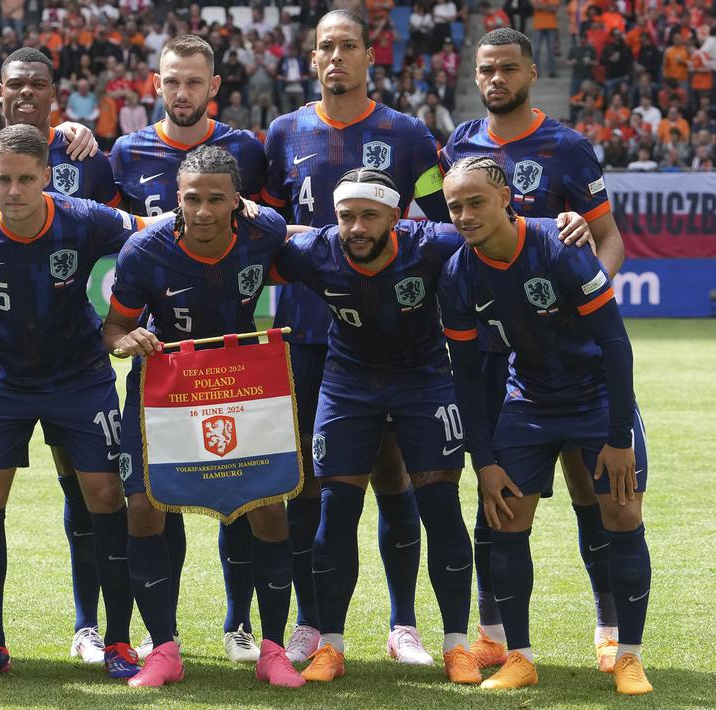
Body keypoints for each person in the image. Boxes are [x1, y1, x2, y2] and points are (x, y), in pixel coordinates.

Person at [0, 124, 156, 680]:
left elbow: (153, 230)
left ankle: (118, 640)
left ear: (47, 177)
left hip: (80, 372)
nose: (15, 190)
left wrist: (244, 216)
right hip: (2, 378)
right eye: (4, 179)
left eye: (27, 179)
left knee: (102, 491)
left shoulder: (82, 217)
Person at [261, 9, 451, 665]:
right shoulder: (284, 132)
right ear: (310, 60)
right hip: (302, 334)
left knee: (394, 475)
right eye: (324, 48)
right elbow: (260, 230)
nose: (334, 57)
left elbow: (442, 228)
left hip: (392, 340)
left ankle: (403, 626)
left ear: (370, 55)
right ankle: (313, 626)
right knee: (308, 484)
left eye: (346, 46)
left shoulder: (410, 136)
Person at [440, 28, 627, 672]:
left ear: (529, 73)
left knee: (586, 487)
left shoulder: (567, 146)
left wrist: (583, 304)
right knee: (493, 490)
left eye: (508, 69)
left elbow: (607, 239)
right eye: (485, 69)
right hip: (489, 351)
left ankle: (609, 626)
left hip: (554, 343)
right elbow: (445, 232)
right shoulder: (459, 145)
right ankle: (493, 631)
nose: (496, 79)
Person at [438, 156, 653, 696]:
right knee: (505, 518)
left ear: (506, 198)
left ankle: (629, 657)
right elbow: (465, 376)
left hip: (597, 398)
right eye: (455, 206)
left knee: (622, 512)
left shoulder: (561, 249)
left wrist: (618, 437)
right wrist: (482, 460)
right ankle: (520, 657)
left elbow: (614, 344)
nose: (464, 215)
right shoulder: (457, 275)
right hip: (528, 401)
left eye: (475, 202)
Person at [0, 46, 116, 667]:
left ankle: (93, 625)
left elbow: (132, 230)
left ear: (53, 89)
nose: (26, 94)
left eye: (38, 84)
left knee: (87, 485)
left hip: (73, 355)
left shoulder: (83, 156)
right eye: (16, 85)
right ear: (1, 91)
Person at [103, 145, 303, 689]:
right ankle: (164, 649)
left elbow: (297, 241)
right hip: (164, 392)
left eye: (217, 198)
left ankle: (273, 650)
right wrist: (130, 340)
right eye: (193, 198)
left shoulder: (264, 234)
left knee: (268, 509)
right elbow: (112, 330)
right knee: (143, 508)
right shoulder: (144, 250)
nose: (205, 210)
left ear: (238, 200)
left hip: (237, 388)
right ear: (177, 199)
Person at [108, 33, 268, 663]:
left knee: (243, 499)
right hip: (164, 364)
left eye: (194, 82)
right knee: (155, 501)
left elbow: (270, 232)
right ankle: (161, 632)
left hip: (235, 361)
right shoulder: (125, 153)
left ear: (213, 88)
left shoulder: (246, 151)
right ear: (156, 84)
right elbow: (102, 223)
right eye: (172, 81)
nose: (182, 92)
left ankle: (239, 624)